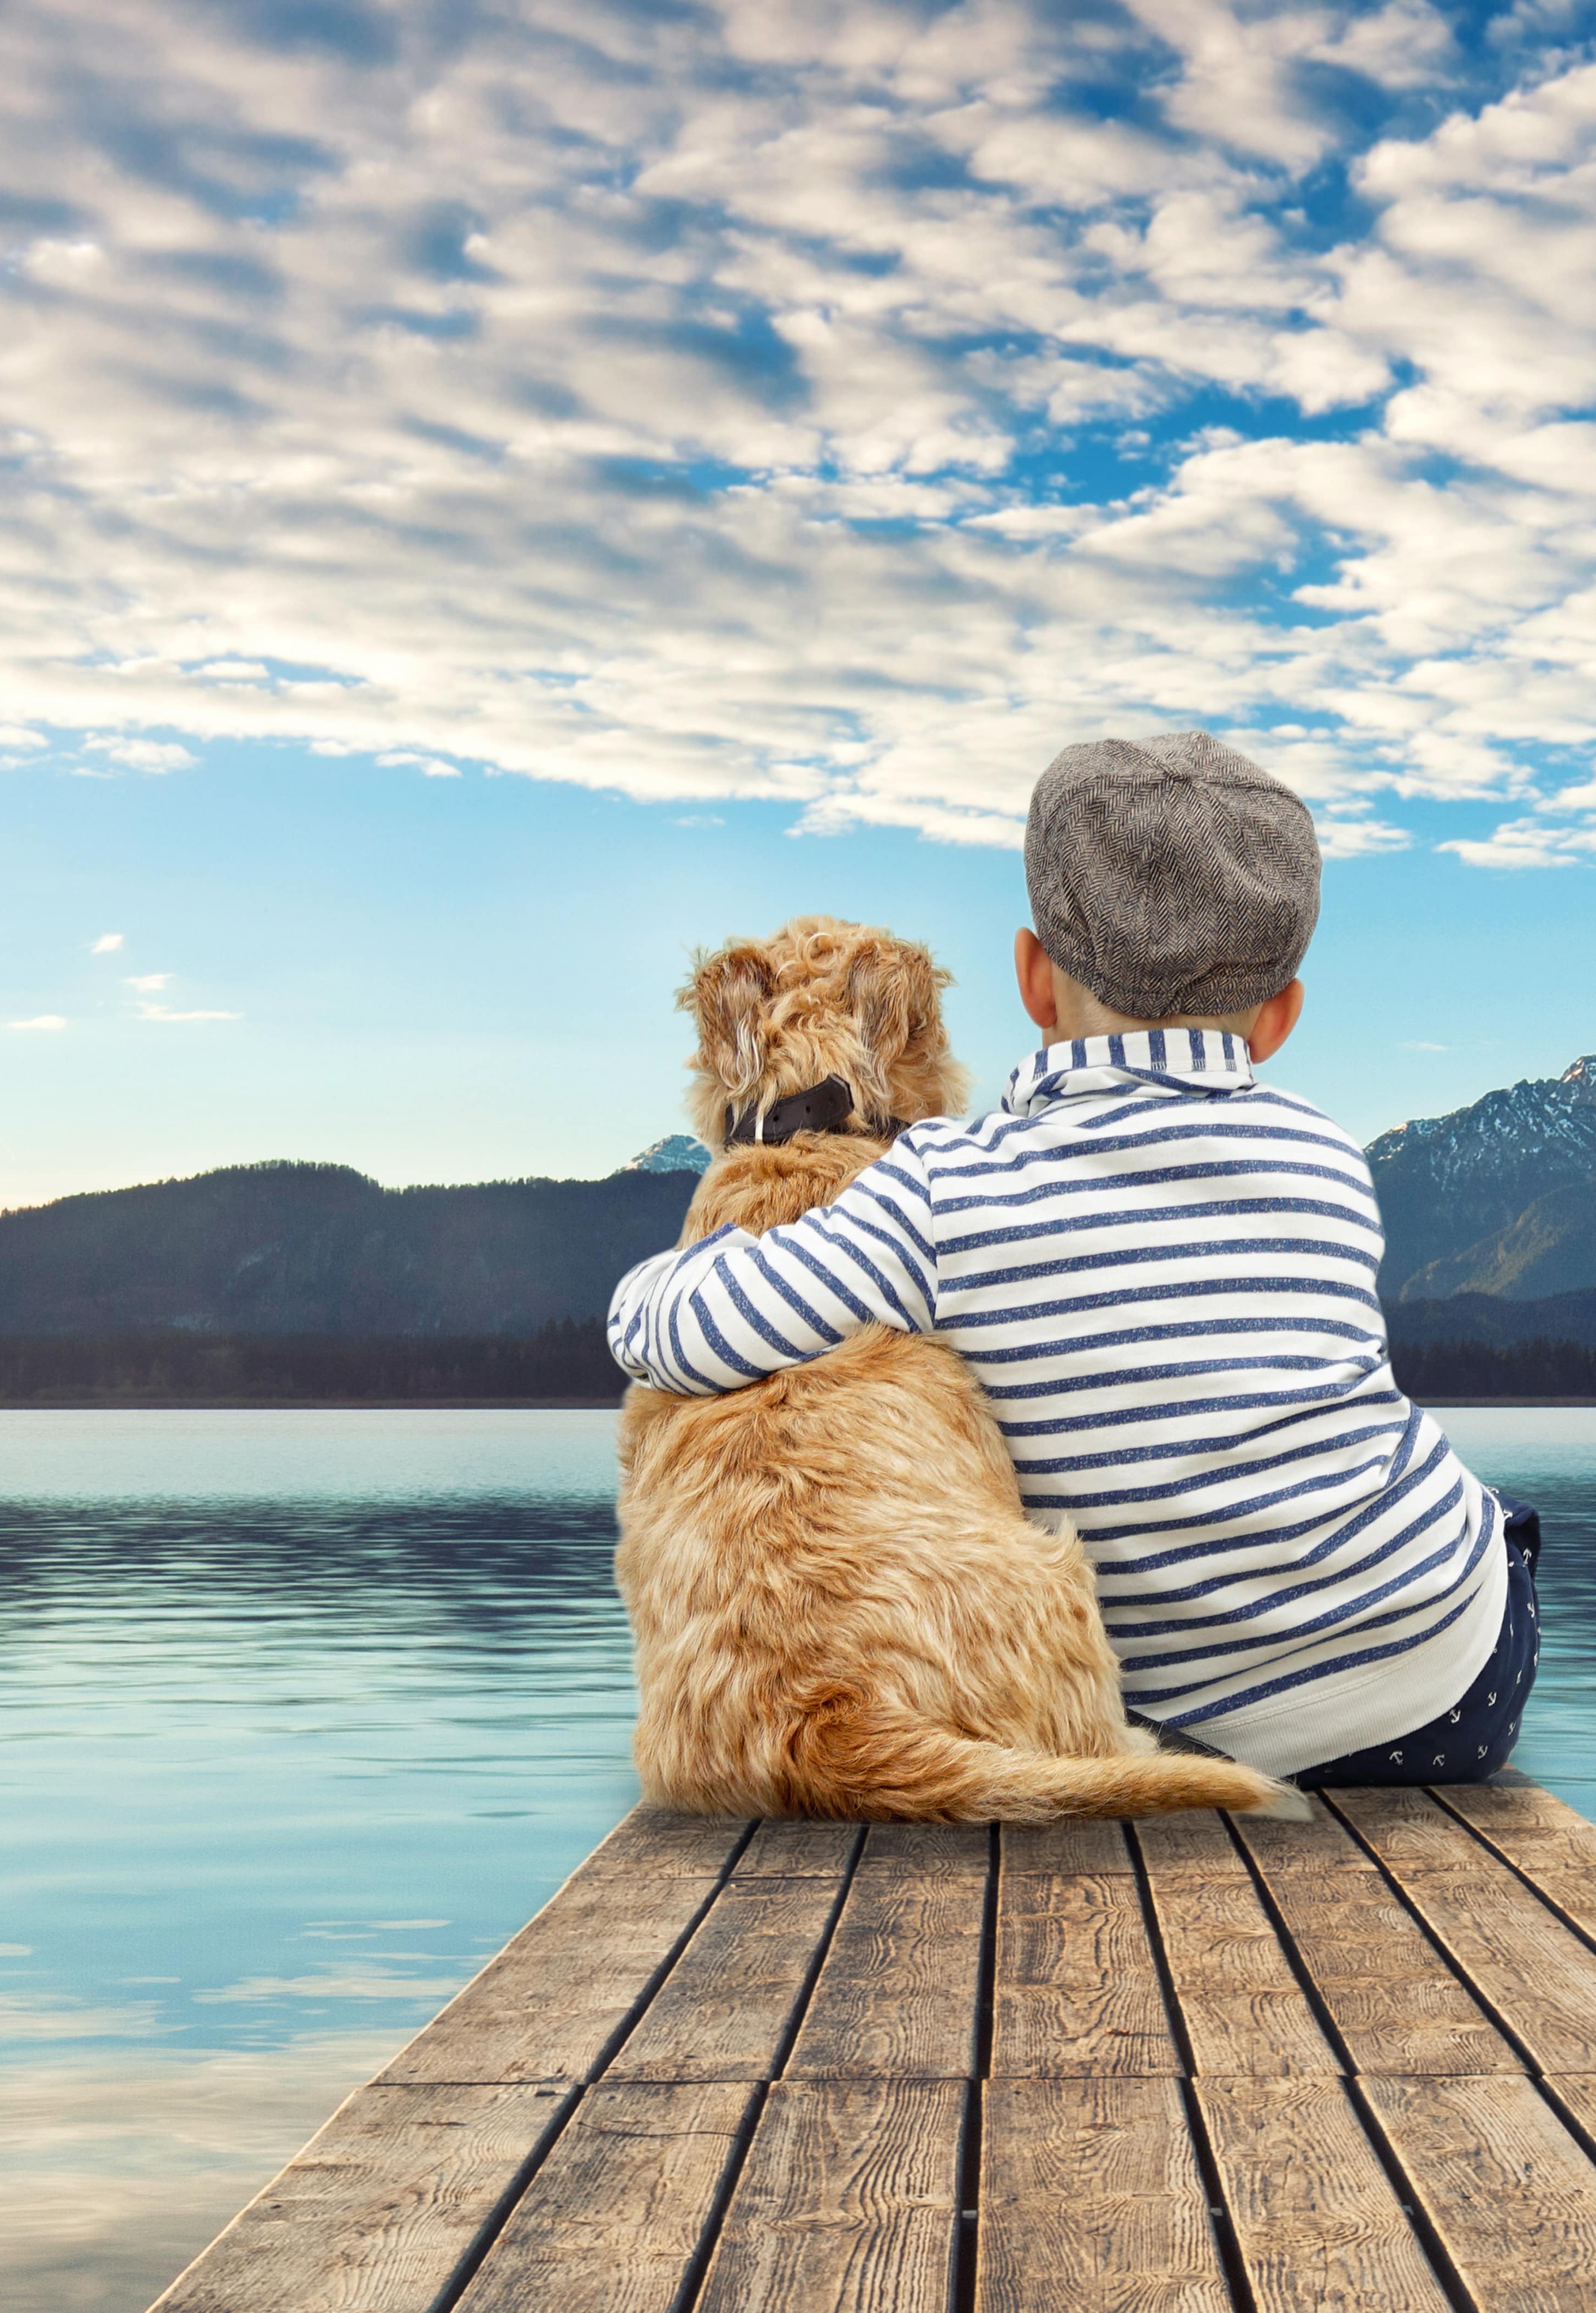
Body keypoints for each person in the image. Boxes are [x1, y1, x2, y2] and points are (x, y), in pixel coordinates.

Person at [605, 731, 1540, 1788]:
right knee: (1477, 1516)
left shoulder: (939, 1185)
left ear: (1030, 980)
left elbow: (683, 1338)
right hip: (1452, 1696)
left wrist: (653, 1287)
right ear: (1278, 1018)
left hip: (1182, 1723)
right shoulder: (1324, 1153)